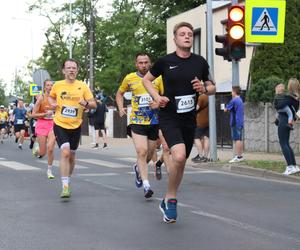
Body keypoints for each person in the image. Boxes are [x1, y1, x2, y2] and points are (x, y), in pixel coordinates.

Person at [143, 22, 215, 223]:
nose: (187, 37)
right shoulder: (165, 62)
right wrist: (157, 97)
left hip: (188, 119)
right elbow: (146, 81)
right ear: (175, 39)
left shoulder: (200, 62)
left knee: (181, 163)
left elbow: (212, 88)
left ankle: (167, 198)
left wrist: (203, 87)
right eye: (182, 34)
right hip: (169, 117)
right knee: (180, 156)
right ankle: (172, 199)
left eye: (190, 34)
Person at [116, 52, 163, 199]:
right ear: (136, 64)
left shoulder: (158, 78)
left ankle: (138, 168)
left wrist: (157, 103)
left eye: (146, 62)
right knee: (141, 152)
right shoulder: (129, 78)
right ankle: (146, 185)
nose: (143, 65)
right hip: (137, 121)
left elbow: (164, 97)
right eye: (140, 63)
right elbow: (119, 93)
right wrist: (120, 106)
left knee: (149, 154)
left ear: (150, 63)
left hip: (154, 121)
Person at [49, 59, 96, 198]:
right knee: (65, 152)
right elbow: (51, 98)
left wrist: (86, 103)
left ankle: (68, 179)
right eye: (68, 68)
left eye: (74, 68)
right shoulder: (57, 85)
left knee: (72, 156)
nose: (71, 70)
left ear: (77, 70)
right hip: (60, 124)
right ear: (64, 71)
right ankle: (65, 186)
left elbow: (94, 104)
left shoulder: (82, 86)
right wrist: (53, 104)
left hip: (76, 125)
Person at [274, 78, 300, 175]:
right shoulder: (296, 97)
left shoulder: (289, 97)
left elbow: (279, 105)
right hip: (287, 121)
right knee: (287, 144)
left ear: (290, 86)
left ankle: (289, 167)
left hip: (283, 120)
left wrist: (277, 93)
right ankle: (294, 166)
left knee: (283, 144)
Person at [32, 79, 56, 179]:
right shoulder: (41, 98)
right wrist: (44, 114)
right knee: (42, 153)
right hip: (42, 124)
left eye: (51, 85)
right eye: (48, 85)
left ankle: (49, 171)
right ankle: (37, 148)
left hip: (53, 124)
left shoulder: (57, 98)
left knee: (50, 148)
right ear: (44, 87)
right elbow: (33, 114)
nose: (50, 87)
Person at [224, 86, 244, 163]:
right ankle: (239, 155)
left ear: (234, 92)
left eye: (232, 91)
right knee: (239, 139)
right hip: (240, 121)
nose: (231, 93)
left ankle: (239, 157)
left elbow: (226, 109)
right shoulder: (240, 100)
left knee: (237, 139)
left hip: (235, 122)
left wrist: (227, 107)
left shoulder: (234, 100)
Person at [191, 94, 210, 163]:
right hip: (209, 121)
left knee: (196, 138)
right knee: (206, 138)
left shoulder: (202, 97)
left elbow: (197, 108)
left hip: (200, 121)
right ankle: (205, 156)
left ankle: (200, 155)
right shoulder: (210, 96)